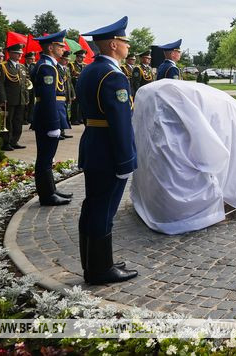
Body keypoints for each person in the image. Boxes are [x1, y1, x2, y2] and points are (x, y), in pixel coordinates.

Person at [77, 17, 139, 284]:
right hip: (109, 151)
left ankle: (94, 263)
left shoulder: (90, 70)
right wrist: (126, 160)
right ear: (114, 44)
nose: (128, 46)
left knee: (92, 206)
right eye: (125, 42)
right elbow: (120, 123)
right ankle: (101, 270)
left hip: (94, 145)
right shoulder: (113, 76)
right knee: (103, 210)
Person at [30, 31, 74, 206]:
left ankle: (51, 190)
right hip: (48, 116)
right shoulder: (46, 67)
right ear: (50, 47)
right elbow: (48, 97)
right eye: (60, 45)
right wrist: (53, 124)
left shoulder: (50, 65)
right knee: (45, 158)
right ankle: (47, 196)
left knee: (47, 158)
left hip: (52, 113)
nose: (63, 48)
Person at [0, 43, 29, 151]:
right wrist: (2, 99)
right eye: (16, 53)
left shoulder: (22, 66)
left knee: (18, 121)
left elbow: (24, 84)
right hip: (8, 99)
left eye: (20, 53)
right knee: (7, 122)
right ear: (10, 53)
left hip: (20, 98)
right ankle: (5, 142)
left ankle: (14, 141)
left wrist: (26, 97)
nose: (19, 55)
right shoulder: (2, 66)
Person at [57, 51, 74, 139]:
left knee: (65, 114)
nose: (67, 62)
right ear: (60, 59)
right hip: (59, 95)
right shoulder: (56, 68)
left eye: (68, 60)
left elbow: (69, 83)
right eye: (65, 60)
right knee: (59, 114)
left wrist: (72, 94)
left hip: (66, 94)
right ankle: (58, 131)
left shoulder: (66, 69)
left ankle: (63, 131)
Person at [69, 49, 86, 125]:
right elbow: (70, 75)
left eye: (83, 57)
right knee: (75, 103)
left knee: (81, 102)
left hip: (82, 85)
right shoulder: (71, 65)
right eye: (81, 57)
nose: (82, 59)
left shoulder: (84, 65)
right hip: (74, 84)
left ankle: (80, 118)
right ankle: (74, 119)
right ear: (77, 57)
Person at [24, 51, 37, 124]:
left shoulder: (35, 66)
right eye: (31, 59)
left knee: (32, 103)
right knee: (26, 103)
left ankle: (30, 118)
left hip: (33, 87)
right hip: (25, 87)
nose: (33, 60)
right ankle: (24, 118)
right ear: (26, 59)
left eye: (33, 59)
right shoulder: (23, 66)